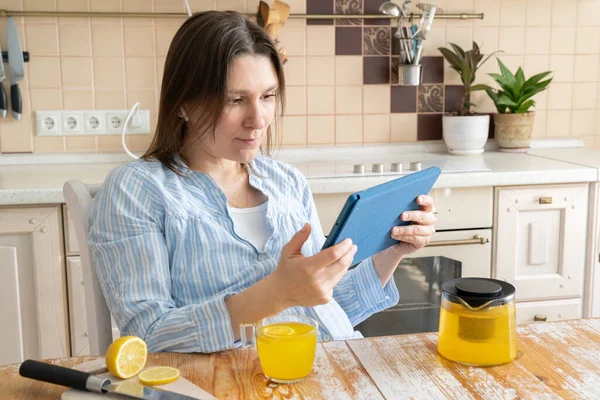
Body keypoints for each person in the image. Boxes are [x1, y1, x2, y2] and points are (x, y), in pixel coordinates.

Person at [88, 11, 437, 354]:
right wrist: (276, 293)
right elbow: (148, 339)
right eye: (235, 100)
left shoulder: (287, 181)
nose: (258, 120)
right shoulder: (137, 190)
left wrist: (391, 251)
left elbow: (328, 308)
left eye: (268, 97)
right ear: (182, 104)